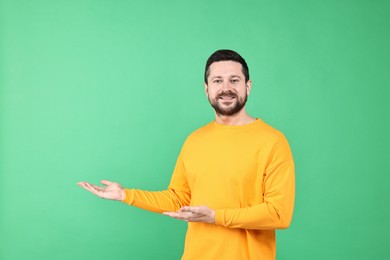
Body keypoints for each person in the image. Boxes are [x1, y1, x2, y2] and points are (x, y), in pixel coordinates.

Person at [78, 49, 295, 260]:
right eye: (218, 81)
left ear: (248, 86)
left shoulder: (272, 141)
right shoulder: (195, 140)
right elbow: (178, 198)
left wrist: (216, 217)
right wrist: (126, 195)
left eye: (234, 80)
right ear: (206, 88)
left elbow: (278, 214)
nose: (226, 88)